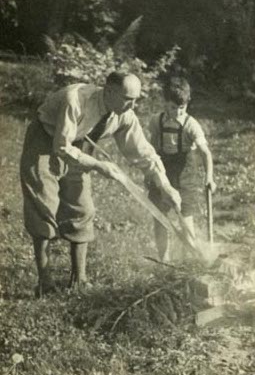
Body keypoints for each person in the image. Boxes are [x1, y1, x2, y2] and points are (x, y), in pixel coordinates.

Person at [20, 71, 181, 297]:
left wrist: (166, 186)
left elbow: (143, 152)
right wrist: (98, 165)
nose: (133, 105)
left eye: (136, 99)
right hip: (46, 141)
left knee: (83, 208)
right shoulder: (75, 99)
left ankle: (79, 279)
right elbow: (62, 147)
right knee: (44, 207)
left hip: (80, 147)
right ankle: (45, 282)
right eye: (128, 99)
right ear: (110, 92)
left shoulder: (124, 114)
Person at [147, 76, 216, 262]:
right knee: (160, 217)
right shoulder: (156, 121)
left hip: (185, 174)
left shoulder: (191, 125)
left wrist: (209, 178)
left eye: (181, 108)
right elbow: (152, 148)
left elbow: (205, 153)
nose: (177, 112)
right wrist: (150, 173)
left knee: (185, 221)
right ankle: (164, 260)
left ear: (187, 104)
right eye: (172, 107)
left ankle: (190, 261)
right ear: (164, 103)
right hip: (162, 170)